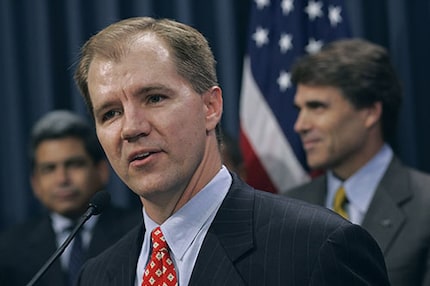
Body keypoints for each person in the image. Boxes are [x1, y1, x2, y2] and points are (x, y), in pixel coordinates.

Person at [72, 17, 390, 286]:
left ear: (211, 107)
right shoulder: (98, 275)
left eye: (154, 98)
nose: (131, 128)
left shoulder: (318, 246)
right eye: (110, 113)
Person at [286, 38, 430, 286]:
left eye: (317, 107)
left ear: (370, 113)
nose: (300, 125)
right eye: (299, 109)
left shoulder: (425, 204)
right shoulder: (288, 207)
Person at [0, 110, 141, 286]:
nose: (62, 179)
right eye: (49, 169)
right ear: (35, 183)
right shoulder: (9, 248)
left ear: (102, 171)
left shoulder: (140, 230)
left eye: (74, 164)